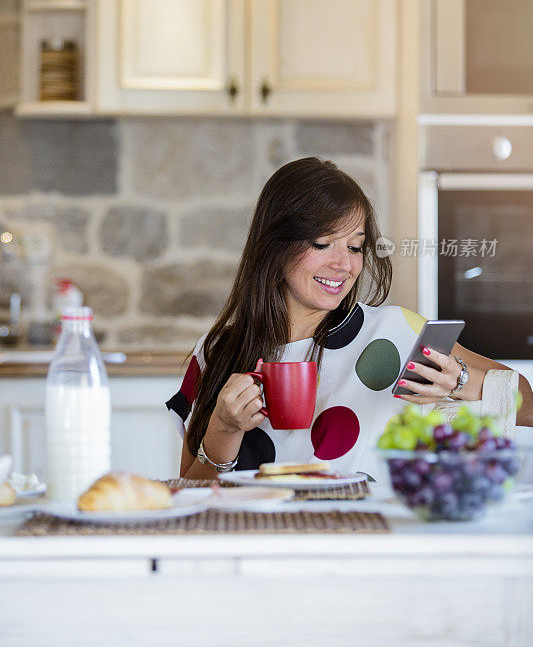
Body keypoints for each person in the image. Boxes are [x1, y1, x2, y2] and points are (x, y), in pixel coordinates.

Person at [166, 157, 533, 481]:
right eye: (323, 243)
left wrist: (462, 381)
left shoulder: (396, 332)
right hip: (260, 549)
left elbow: (527, 404)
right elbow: (188, 498)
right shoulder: (216, 352)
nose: (344, 264)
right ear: (274, 245)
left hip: (369, 547)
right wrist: (224, 430)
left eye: (355, 246)